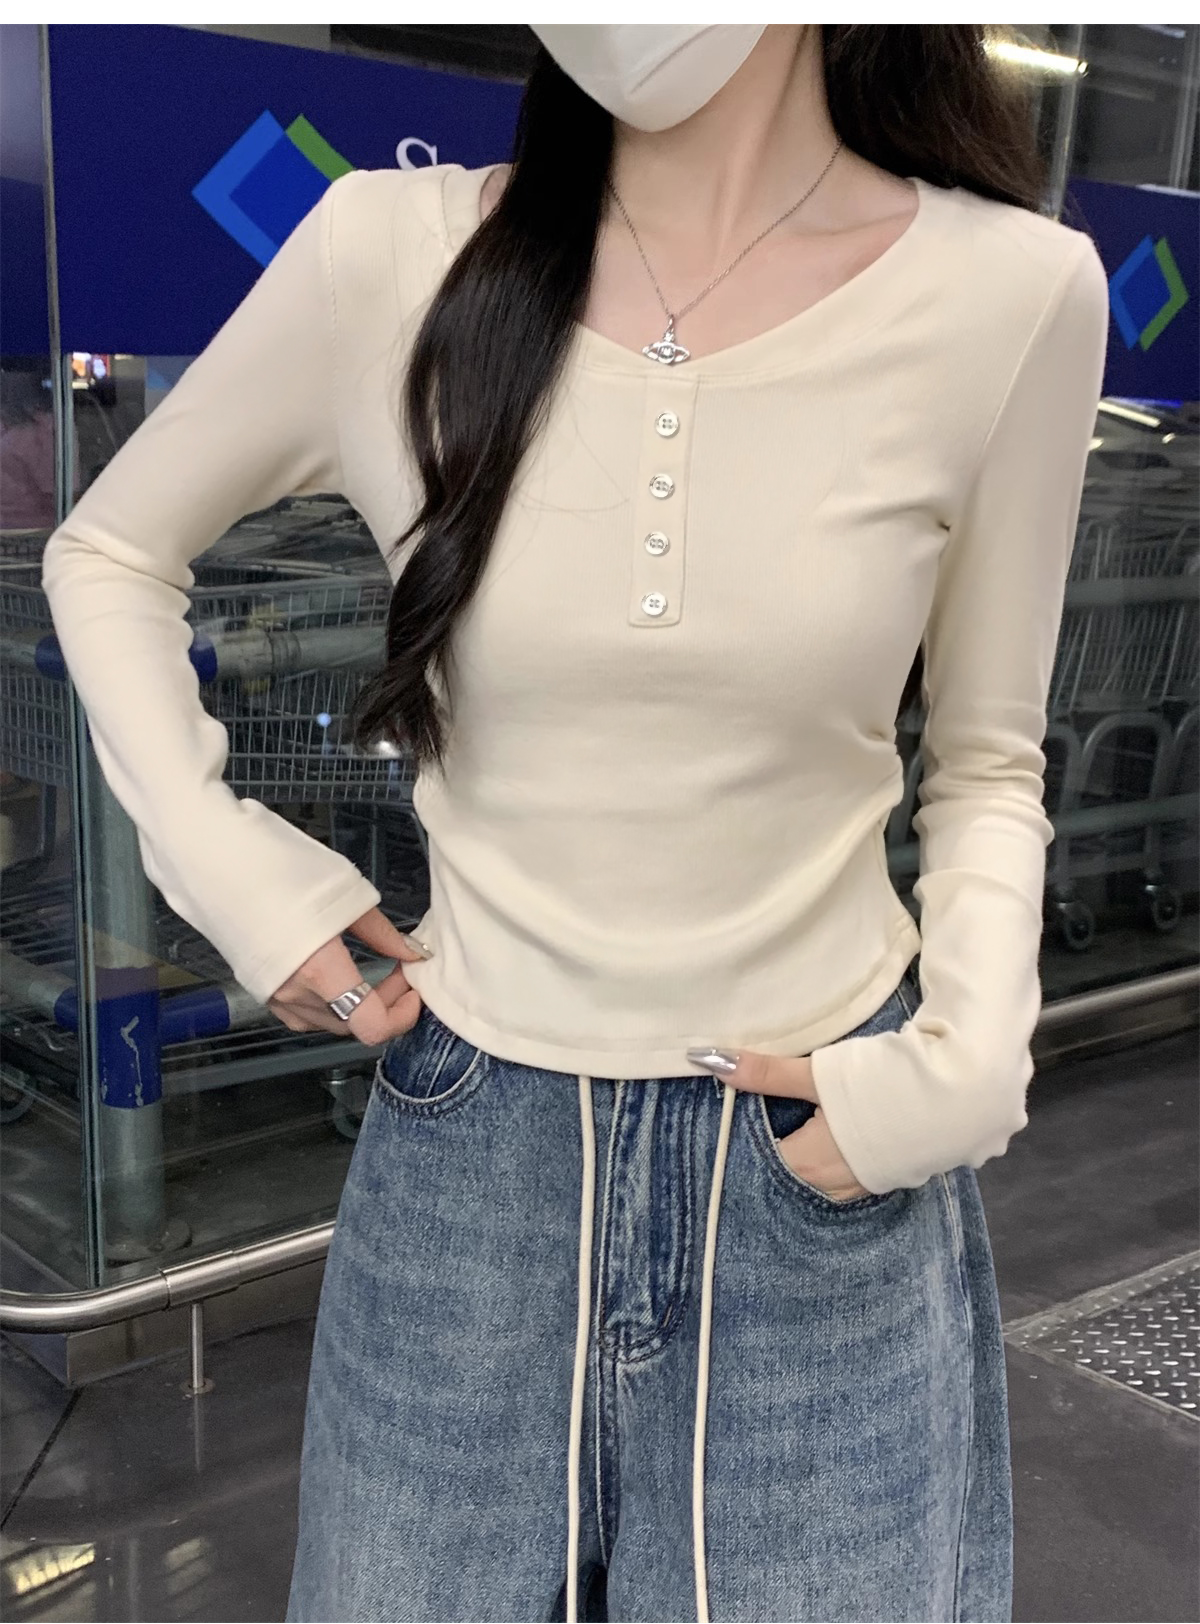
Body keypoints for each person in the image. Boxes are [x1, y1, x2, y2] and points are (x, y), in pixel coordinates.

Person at [40, 23, 1110, 1624]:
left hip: (815, 1153)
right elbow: (111, 552)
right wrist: (235, 874)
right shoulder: (387, 254)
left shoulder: (1013, 293)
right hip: (473, 1157)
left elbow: (988, 755)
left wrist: (966, 1061)